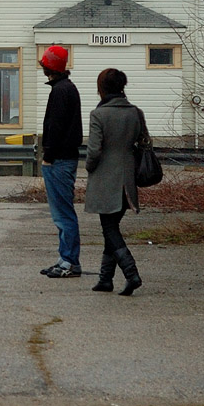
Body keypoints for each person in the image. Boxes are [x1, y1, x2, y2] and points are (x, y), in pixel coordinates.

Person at [84, 67, 143, 295]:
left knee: (109, 227)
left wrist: (89, 168)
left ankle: (131, 273)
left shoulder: (98, 114)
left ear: (102, 88)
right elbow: (144, 142)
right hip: (128, 179)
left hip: (105, 179)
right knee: (111, 226)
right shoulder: (135, 112)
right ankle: (105, 279)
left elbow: (94, 151)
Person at [39, 45, 82, 278]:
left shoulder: (59, 92)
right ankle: (65, 257)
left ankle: (69, 261)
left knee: (62, 212)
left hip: (59, 160)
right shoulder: (67, 89)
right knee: (63, 212)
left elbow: (55, 127)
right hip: (67, 157)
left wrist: (48, 156)